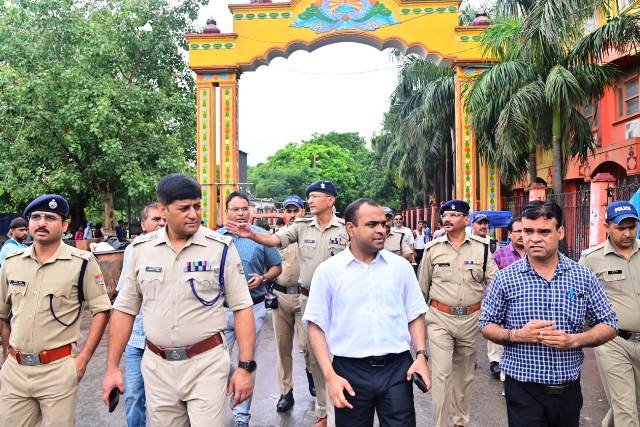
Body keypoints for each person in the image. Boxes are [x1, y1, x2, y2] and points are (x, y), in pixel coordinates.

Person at [102, 173, 256, 427]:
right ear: (163, 210)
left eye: (197, 206)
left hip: (206, 365)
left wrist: (245, 367)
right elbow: (124, 310)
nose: (194, 214)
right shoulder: (141, 250)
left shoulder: (220, 248)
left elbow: (242, 308)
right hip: (158, 369)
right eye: (184, 208)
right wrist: (112, 367)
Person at [480, 200, 617, 427]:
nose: (534, 238)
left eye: (544, 231)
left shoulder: (582, 276)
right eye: (528, 231)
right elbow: (486, 323)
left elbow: (609, 324)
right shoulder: (505, 278)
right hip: (523, 390)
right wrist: (516, 335)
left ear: (560, 232)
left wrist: (574, 340)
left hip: (568, 391)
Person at [224, 180, 349, 427]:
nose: (310, 201)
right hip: (303, 298)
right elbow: (275, 241)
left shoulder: (346, 229)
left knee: (336, 355)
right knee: (310, 355)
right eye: (308, 197)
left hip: (337, 302)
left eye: (315, 196)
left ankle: (339, 410)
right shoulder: (301, 228)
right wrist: (253, 235)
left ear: (331, 200)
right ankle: (321, 412)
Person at [304, 198, 430, 426]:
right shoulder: (329, 271)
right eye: (372, 224)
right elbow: (316, 326)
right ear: (351, 228)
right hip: (349, 371)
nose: (381, 230)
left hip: (397, 370)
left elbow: (415, 315)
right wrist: (330, 376)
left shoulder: (400, 268)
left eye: (383, 224)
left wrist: (421, 355)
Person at [0, 194, 111, 426]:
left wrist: (83, 359)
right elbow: (3, 314)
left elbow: (101, 310)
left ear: (65, 225)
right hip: (15, 372)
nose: (42, 223)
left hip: (58, 370)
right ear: (28, 222)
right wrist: (7, 355)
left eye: (50, 218)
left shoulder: (82, 263)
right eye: (36, 217)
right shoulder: (12, 262)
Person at [418, 199, 498, 427]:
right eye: (445, 216)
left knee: (464, 376)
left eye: (454, 216)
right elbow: (422, 290)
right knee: (441, 374)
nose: (447, 219)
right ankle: (441, 424)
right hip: (440, 318)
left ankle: (459, 421)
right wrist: (419, 328)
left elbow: (495, 283)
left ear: (466, 219)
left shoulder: (482, 248)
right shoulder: (433, 249)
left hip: (471, 320)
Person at [217, 192, 282, 427]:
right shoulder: (216, 238)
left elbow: (277, 267)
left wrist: (263, 278)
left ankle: (241, 418)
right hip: (221, 311)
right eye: (235, 209)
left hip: (253, 308)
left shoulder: (261, 236)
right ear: (226, 212)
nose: (241, 213)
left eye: (245, 208)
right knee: (217, 362)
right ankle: (217, 409)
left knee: (247, 363)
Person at [579, 200, 640, 427]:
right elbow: (577, 297)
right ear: (607, 227)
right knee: (626, 409)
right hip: (613, 342)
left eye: (632, 227)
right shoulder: (591, 259)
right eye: (621, 228)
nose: (627, 233)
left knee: (626, 401)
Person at [116, 203, 166, 427]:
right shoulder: (133, 250)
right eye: (156, 219)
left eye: (164, 220)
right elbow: (124, 301)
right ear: (143, 224)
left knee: (166, 401)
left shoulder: (179, 250)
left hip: (167, 342)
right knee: (134, 396)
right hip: (137, 339)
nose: (161, 224)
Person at [269, 195, 315, 413]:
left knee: (308, 345)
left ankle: (312, 374)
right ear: (284, 213)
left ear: (303, 211)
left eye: (296, 210)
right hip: (281, 296)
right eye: (288, 211)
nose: (292, 214)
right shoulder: (275, 238)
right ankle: (286, 392)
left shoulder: (311, 235)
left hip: (305, 297)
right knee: (283, 347)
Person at [485, 217, 526, 380]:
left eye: (525, 231)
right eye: (518, 231)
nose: (522, 235)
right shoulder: (500, 255)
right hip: (504, 301)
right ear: (509, 234)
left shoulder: (535, 254)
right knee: (497, 329)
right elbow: (489, 279)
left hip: (525, 303)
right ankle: (495, 361)